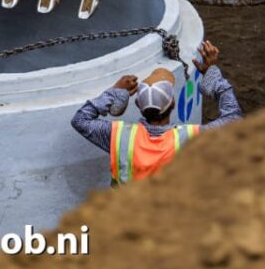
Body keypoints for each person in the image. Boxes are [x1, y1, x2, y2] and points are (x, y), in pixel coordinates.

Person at [70, 41, 242, 184]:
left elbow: (81, 119)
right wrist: (212, 74)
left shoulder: (119, 136)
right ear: (173, 103)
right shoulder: (192, 138)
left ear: (137, 104)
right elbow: (233, 117)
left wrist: (115, 92)